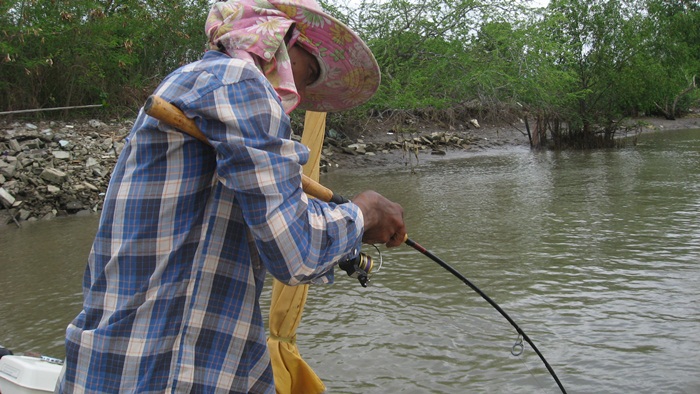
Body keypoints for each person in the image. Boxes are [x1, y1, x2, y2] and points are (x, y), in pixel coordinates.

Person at [56, 0, 406, 392]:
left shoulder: (190, 79)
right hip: (162, 373)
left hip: (109, 367)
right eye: (309, 74)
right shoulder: (240, 80)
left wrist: (341, 231)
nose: (302, 93)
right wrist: (365, 212)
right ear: (281, 39)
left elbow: (272, 216)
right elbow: (296, 251)